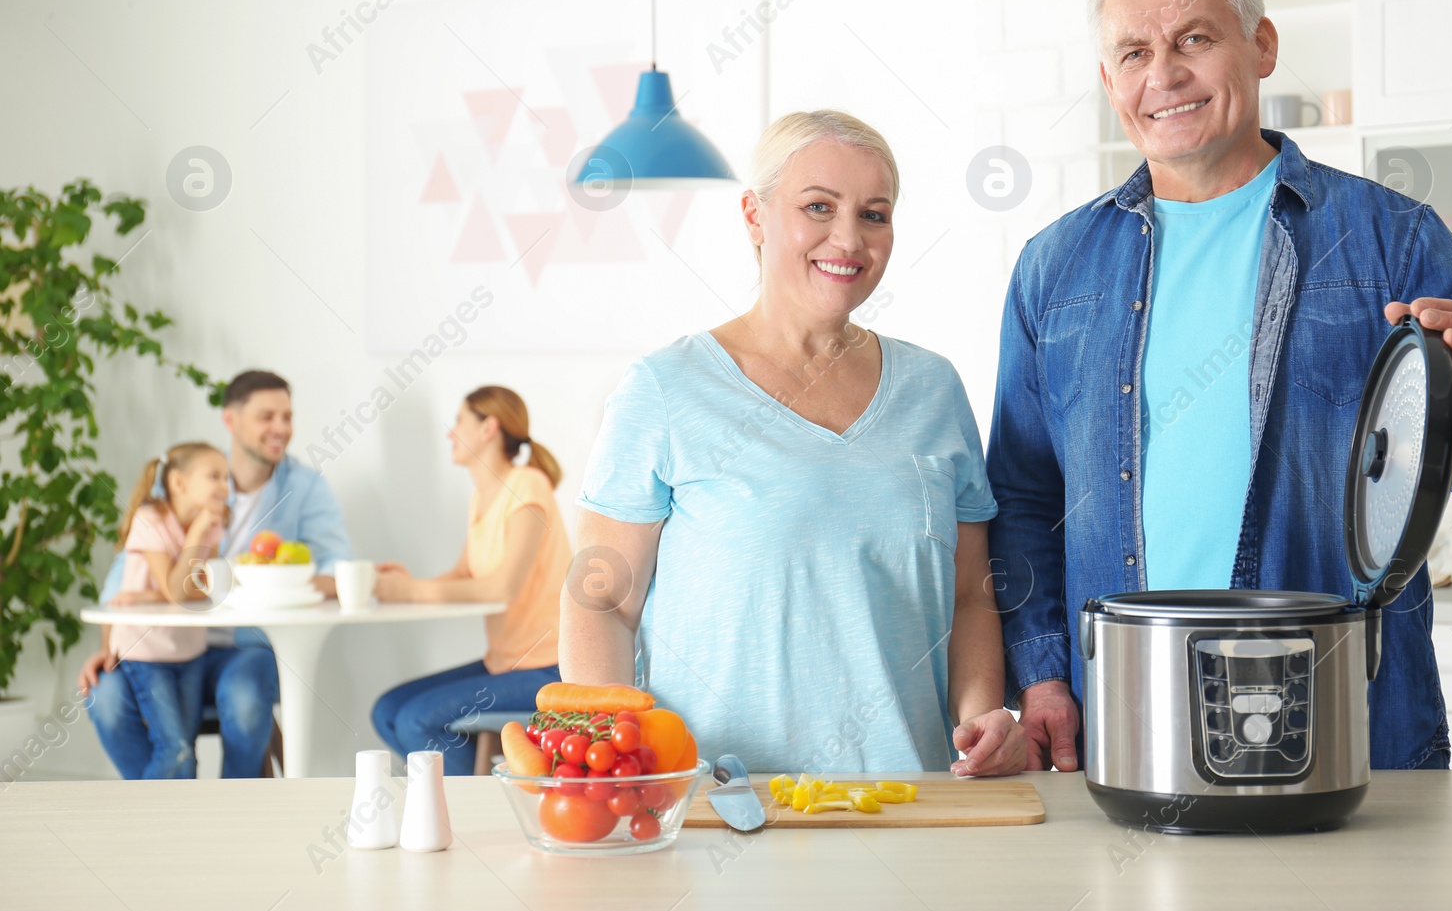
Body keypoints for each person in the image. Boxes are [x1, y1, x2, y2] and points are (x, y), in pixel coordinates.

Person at [987, 0, 1452, 774]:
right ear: (1111, 82)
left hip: (1346, 722)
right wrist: (1041, 678)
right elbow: (1023, 499)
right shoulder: (1055, 268)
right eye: (1135, 53)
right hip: (1126, 718)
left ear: (1261, 45)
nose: (1165, 75)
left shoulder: (1391, 239)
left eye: (1194, 38)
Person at [562, 110, 1027, 777]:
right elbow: (601, 597)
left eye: (874, 213)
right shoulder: (666, 390)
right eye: (818, 206)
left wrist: (984, 717)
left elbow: (970, 594)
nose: (849, 238)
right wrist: (611, 758)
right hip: (720, 806)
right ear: (754, 215)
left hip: (909, 802)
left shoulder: (933, 388)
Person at [81, 370, 356, 779]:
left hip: (244, 649)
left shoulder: (304, 487)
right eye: (267, 416)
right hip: (160, 646)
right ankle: (161, 814)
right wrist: (109, 644)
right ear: (231, 420)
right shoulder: (192, 477)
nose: (281, 428)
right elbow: (126, 574)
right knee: (104, 697)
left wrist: (259, 585)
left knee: (244, 700)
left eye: (287, 416)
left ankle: (236, 814)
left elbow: (338, 571)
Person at [370, 386, 571, 776]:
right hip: (503, 663)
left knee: (415, 720)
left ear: (488, 428)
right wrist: (407, 588)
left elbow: (501, 588)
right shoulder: (482, 498)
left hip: (549, 668)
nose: (450, 433)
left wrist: (412, 592)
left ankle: (470, 810)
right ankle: (472, 793)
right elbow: (464, 575)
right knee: (388, 711)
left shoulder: (527, 485)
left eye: (459, 421)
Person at [103, 443, 229, 779]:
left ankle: (176, 828)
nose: (225, 487)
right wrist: (197, 535)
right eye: (214, 476)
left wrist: (152, 593)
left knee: (186, 751)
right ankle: (139, 821)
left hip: (190, 650)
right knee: (177, 751)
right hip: (146, 651)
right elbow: (179, 592)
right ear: (178, 482)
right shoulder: (151, 519)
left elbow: (202, 592)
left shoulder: (213, 524)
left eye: (227, 478)